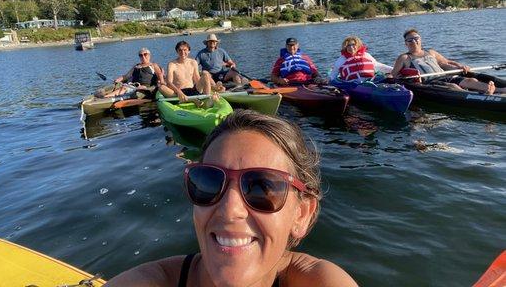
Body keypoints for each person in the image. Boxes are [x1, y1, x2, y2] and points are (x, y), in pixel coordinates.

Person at [105, 110, 358, 287]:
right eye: (209, 182)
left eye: (261, 188)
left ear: (301, 214)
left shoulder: (318, 281)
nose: (229, 209)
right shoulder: (149, 282)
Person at [391, 29, 504, 94]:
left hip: (445, 76)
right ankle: (478, 95)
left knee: (470, 80)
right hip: (429, 82)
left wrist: (460, 66)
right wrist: (398, 77)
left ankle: (498, 90)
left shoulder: (431, 52)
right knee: (453, 87)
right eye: (410, 40)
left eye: (416, 38)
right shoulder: (404, 58)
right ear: (406, 43)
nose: (414, 41)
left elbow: (447, 62)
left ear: (420, 40)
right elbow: (394, 75)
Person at [160, 41, 225, 103]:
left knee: (205, 74)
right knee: (161, 87)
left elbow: (197, 80)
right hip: (178, 93)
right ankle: (191, 100)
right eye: (180, 50)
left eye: (185, 50)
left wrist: (212, 87)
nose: (182, 52)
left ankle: (207, 98)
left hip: (192, 90)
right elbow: (169, 82)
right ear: (177, 51)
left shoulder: (193, 62)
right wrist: (179, 92)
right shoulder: (172, 64)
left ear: (189, 51)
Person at [101, 47, 166, 98]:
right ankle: (105, 97)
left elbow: (160, 74)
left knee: (127, 89)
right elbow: (126, 76)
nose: (143, 56)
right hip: (133, 85)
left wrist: (162, 82)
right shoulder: (136, 66)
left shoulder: (153, 65)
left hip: (145, 87)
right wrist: (118, 79)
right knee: (123, 87)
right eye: (141, 55)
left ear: (149, 55)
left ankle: (106, 98)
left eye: (145, 54)